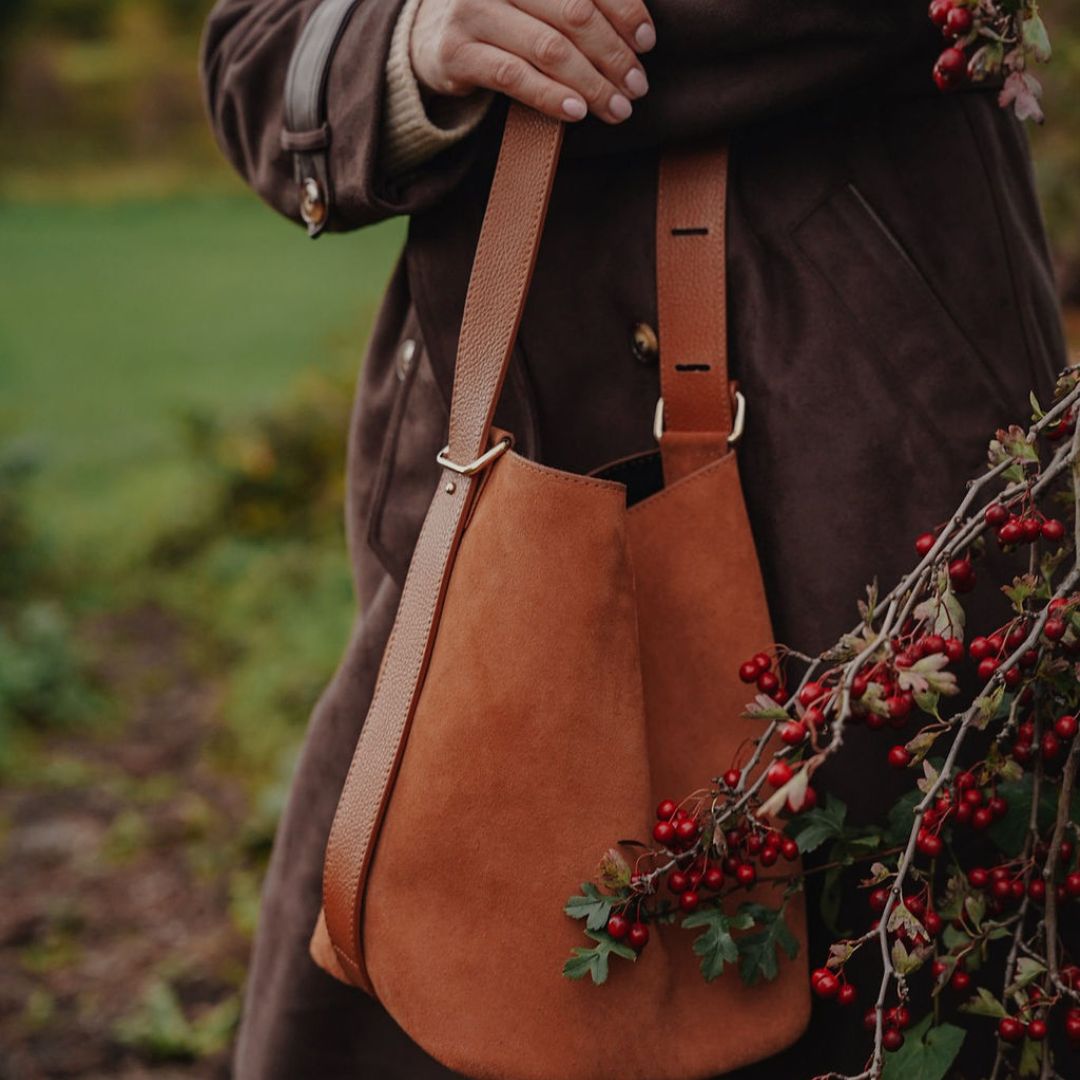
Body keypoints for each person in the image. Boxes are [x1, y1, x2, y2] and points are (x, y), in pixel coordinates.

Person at [199, 0, 1066, 1075]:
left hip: (873, 475)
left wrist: (551, 38)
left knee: (908, 959)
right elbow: (258, 54)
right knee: (429, 960)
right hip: (492, 492)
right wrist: (417, 40)